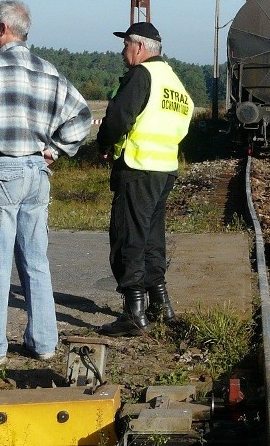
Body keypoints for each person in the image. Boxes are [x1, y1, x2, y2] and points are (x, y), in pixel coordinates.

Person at [0, 0, 92, 366]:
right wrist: (56, 149)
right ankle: (44, 342)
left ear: (3, 29)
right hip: (36, 173)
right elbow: (81, 116)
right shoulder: (49, 71)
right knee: (35, 260)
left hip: (1, 172)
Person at [96, 21, 194, 337]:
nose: (123, 52)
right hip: (164, 169)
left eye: (125, 45)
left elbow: (118, 118)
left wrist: (104, 144)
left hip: (137, 167)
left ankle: (133, 313)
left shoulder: (142, 75)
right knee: (152, 238)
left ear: (138, 47)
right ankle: (160, 304)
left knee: (128, 237)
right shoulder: (174, 82)